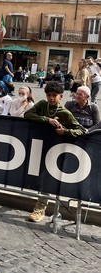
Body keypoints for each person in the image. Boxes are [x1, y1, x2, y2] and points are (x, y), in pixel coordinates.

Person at [24, 81, 86, 223]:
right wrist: (47, 119)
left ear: (61, 97)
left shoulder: (65, 113)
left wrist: (65, 131)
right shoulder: (41, 105)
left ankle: (40, 208)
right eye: (49, 95)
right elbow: (27, 115)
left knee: (47, 179)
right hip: (38, 147)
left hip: (56, 151)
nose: (51, 98)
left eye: (54, 95)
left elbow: (81, 130)